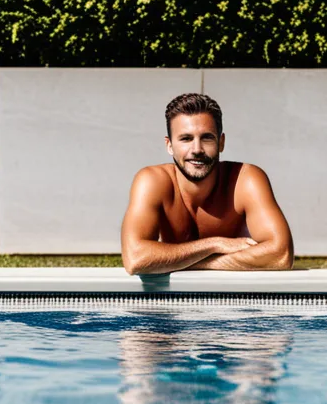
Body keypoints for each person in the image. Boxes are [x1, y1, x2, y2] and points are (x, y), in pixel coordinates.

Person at [120, 93, 293, 274]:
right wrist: (215, 244)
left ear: (221, 142)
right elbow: (135, 259)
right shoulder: (152, 182)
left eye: (207, 138)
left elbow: (281, 254)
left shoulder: (246, 180)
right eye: (186, 139)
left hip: (235, 290)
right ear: (169, 145)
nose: (197, 150)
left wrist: (189, 263)